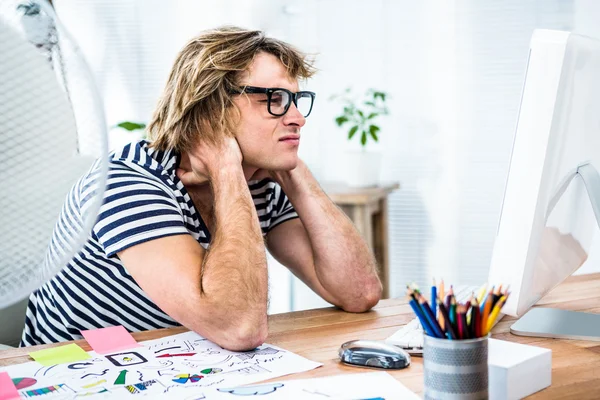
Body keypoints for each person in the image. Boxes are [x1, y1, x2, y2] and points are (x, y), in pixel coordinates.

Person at [21, 26, 382, 351]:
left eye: (296, 101)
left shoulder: (258, 183)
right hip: (71, 376)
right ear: (212, 110)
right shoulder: (127, 184)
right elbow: (239, 328)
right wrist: (225, 166)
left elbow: (359, 292)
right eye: (274, 100)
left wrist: (294, 173)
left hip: (175, 367)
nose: (297, 118)